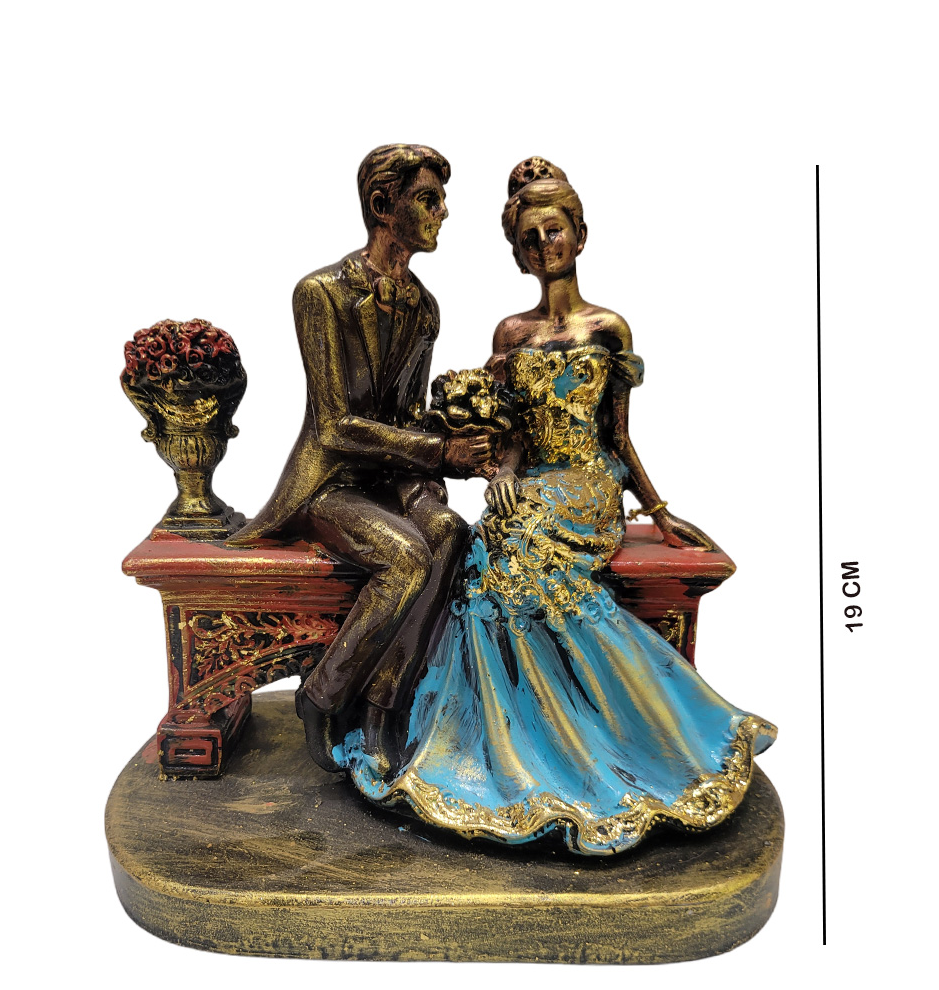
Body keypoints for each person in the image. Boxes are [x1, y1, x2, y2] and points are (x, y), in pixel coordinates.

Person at [334, 158, 776, 855]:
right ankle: (510, 743)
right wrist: (504, 472)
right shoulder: (511, 335)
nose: (545, 246)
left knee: (518, 558)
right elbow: (509, 434)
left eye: (555, 231)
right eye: (530, 238)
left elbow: (619, 436)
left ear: (580, 235)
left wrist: (657, 510)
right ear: (518, 254)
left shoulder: (609, 328)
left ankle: (609, 733)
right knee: (486, 551)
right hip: (533, 482)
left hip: (588, 486)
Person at [226, 144, 493, 774]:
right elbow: (335, 426)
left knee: (450, 533)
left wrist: (457, 451)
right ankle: (322, 697)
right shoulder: (320, 294)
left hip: (392, 481)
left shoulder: (425, 308)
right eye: (428, 200)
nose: (443, 213)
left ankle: (383, 704)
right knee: (406, 556)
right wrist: (440, 450)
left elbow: (406, 416)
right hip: (330, 483)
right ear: (381, 205)